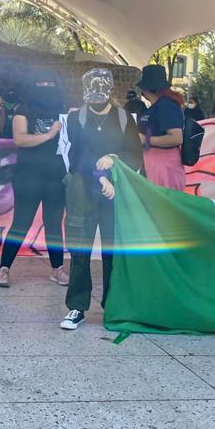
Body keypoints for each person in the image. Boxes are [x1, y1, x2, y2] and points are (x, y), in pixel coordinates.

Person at [60, 68, 144, 330]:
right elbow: (77, 158)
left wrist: (115, 159)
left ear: (109, 92)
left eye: (101, 94)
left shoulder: (123, 119)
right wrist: (100, 176)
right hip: (85, 190)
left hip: (114, 192)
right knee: (80, 248)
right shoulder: (76, 118)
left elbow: (134, 154)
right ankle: (77, 306)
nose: (96, 101)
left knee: (113, 249)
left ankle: (113, 306)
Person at [0, 73, 68, 287]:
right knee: (21, 222)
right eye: (41, 83)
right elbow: (20, 139)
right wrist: (49, 134)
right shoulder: (22, 111)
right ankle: (3, 269)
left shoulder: (63, 111)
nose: (46, 86)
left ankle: (58, 269)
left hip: (56, 176)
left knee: (54, 224)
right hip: (28, 176)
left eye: (50, 82)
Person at [134, 65, 186, 191]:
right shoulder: (158, 105)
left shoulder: (166, 106)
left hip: (163, 166)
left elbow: (177, 138)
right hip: (154, 163)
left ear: (148, 89)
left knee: (160, 206)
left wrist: (145, 139)